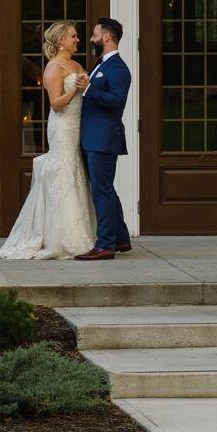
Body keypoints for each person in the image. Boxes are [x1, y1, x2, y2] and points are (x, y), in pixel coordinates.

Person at [3, 16, 98, 261]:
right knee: (65, 172)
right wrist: (76, 89)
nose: (78, 39)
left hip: (79, 125)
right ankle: (62, 237)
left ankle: (83, 231)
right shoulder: (53, 68)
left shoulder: (76, 65)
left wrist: (86, 85)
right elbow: (55, 105)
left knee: (77, 173)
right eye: (73, 36)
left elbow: (87, 92)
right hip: (63, 127)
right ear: (61, 41)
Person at [77, 17, 133, 256]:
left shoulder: (118, 68)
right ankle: (120, 239)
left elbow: (116, 100)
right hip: (93, 137)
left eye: (94, 35)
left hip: (103, 139)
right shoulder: (100, 65)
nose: (91, 39)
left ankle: (105, 245)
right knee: (106, 189)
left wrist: (88, 89)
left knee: (102, 191)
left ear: (107, 37)